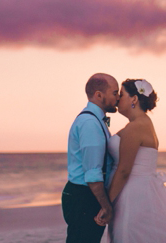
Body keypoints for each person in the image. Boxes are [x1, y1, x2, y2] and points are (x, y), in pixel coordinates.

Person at [98, 78, 166, 243]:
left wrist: (106, 203)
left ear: (134, 99)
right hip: (140, 189)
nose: (117, 99)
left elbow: (124, 170)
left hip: (131, 193)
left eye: (121, 95)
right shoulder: (143, 123)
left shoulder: (136, 127)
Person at [62, 73, 120, 243]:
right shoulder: (90, 123)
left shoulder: (95, 120)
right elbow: (93, 173)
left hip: (85, 194)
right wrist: (105, 205)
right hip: (84, 195)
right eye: (115, 93)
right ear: (99, 95)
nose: (118, 97)